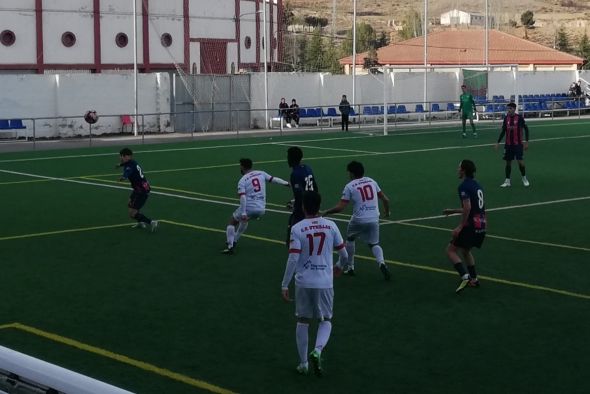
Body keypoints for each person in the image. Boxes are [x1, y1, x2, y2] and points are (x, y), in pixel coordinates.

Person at [281, 191, 348, 377]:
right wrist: (339, 266)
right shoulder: (331, 225)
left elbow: (293, 259)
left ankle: (303, 364)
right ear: (319, 206)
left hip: (304, 282)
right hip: (325, 282)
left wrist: (285, 285)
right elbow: (344, 254)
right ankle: (317, 350)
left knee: (303, 321)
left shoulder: (297, 228)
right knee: (325, 320)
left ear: (303, 207)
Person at [322, 161, 391, 280]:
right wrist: (387, 211)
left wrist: (326, 211)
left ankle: (350, 267)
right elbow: (385, 199)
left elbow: (340, 208)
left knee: (350, 238)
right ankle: (382, 263)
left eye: (348, 172)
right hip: (374, 218)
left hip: (358, 219)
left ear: (352, 173)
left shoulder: (350, 186)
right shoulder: (371, 181)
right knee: (374, 244)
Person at [222, 158, 289, 254]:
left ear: (242, 167)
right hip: (261, 209)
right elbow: (274, 179)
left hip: (249, 207)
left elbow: (243, 197)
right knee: (245, 220)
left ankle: (230, 246)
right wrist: (286, 183)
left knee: (232, 222)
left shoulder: (242, 180)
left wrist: (244, 212)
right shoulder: (261, 173)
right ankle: (235, 240)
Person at [442, 159, 486, 293]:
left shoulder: (463, 186)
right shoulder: (477, 185)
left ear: (464, 170)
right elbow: (472, 208)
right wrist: (453, 210)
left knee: (450, 250)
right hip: (481, 224)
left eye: (459, 168)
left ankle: (464, 276)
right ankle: (474, 279)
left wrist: (460, 227)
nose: (457, 170)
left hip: (470, 225)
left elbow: (467, 207)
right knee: (466, 251)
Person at [117, 148, 158, 232]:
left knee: (132, 214)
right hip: (139, 188)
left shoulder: (129, 166)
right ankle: (140, 222)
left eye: (121, 156)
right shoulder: (132, 162)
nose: (120, 158)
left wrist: (123, 178)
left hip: (141, 191)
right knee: (129, 203)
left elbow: (127, 173)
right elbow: (126, 165)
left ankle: (151, 222)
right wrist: (120, 165)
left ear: (127, 156)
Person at [286, 147, 319, 247]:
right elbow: (315, 187)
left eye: (288, 157)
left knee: (293, 235)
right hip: (313, 204)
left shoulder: (295, 174)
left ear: (291, 158)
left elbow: (299, 194)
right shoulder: (307, 167)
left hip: (303, 209)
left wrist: (296, 204)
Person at [495, 102, 530, 187]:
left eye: (510, 108)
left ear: (514, 109)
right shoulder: (506, 118)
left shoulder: (519, 118)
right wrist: (498, 142)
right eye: (508, 108)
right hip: (508, 145)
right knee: (508, 163)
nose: (509, 110)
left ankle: (524, 178)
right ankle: (507, 181)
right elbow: (503, 131)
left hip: (518, 144)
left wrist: (526, 141)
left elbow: (526, 129)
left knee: (520, 162)